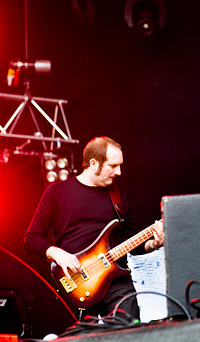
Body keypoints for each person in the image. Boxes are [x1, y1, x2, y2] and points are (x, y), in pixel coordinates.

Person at [24, 136, 164, 321]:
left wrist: (153, 243)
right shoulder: (57, 192)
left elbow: (133, 244)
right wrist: (58, 254)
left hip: (116, 281)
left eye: (120, 165)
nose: (119, 172)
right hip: (75, 281)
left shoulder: (119, 196)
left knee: (129, 330)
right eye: (113, 166)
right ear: (93, 163)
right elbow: (31, 239)